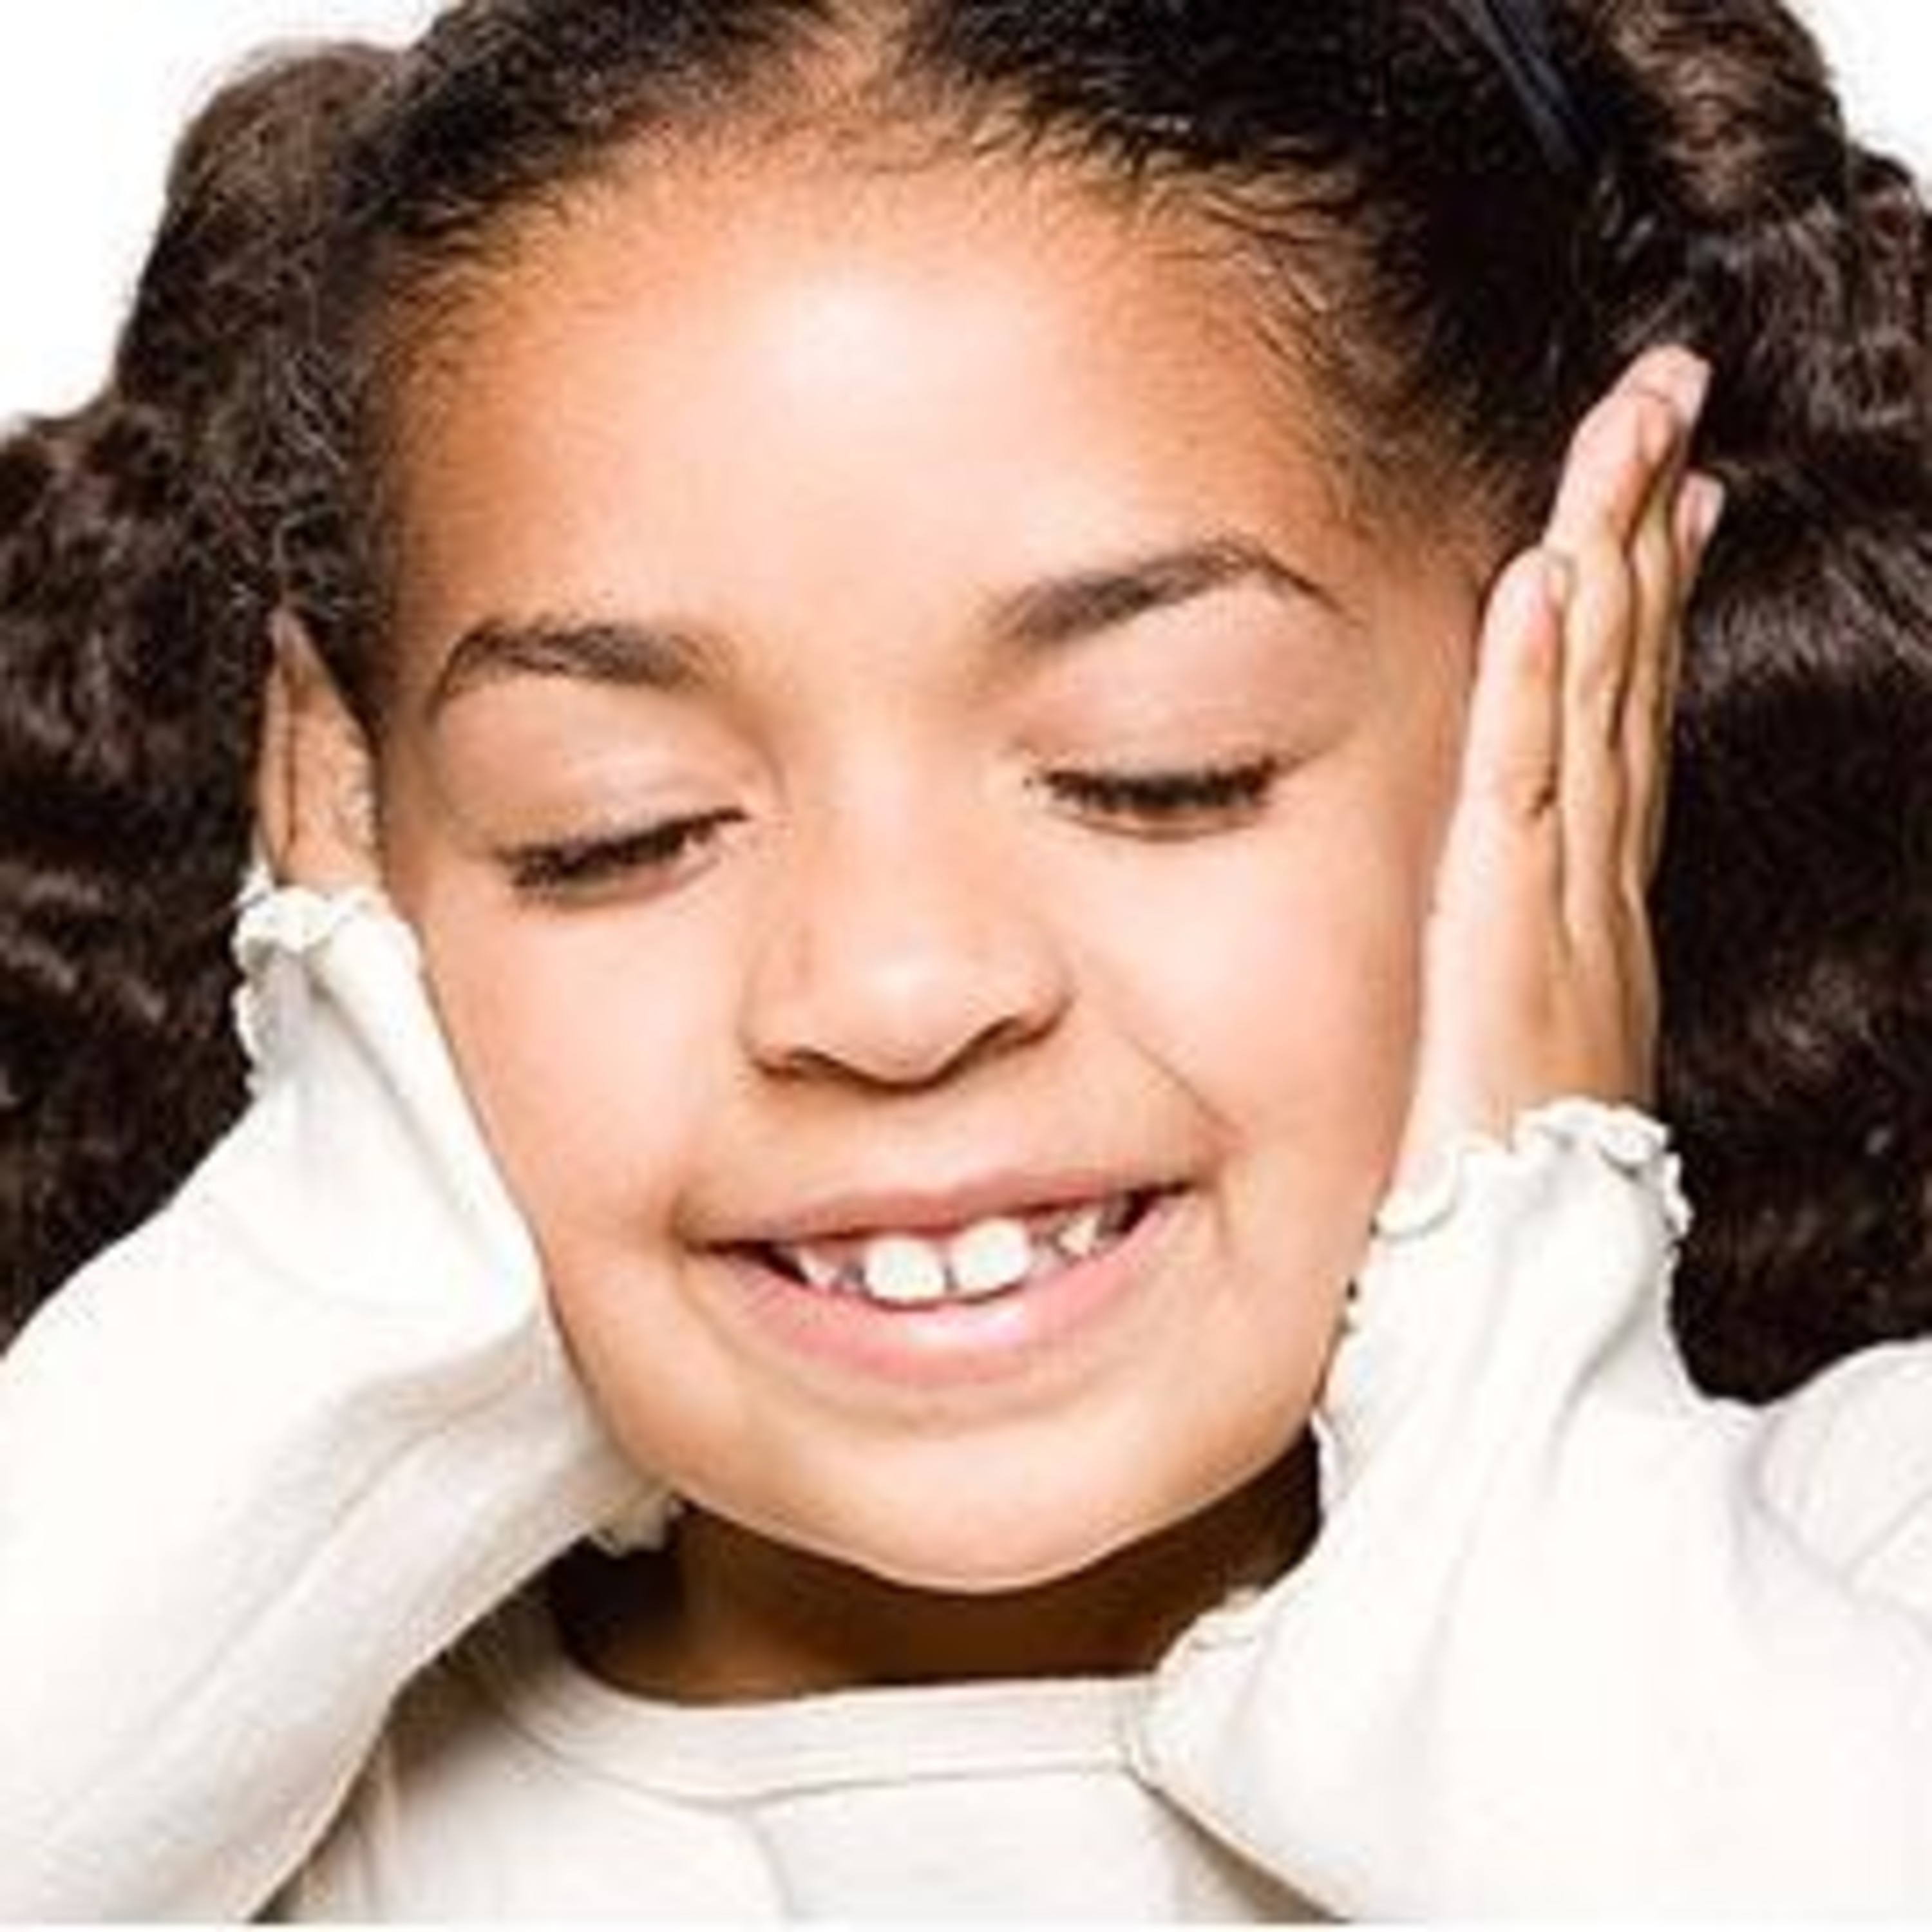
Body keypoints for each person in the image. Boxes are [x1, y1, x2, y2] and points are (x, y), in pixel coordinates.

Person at [1, 0, 1929, 1917]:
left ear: (1600, 705)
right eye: (614, 827)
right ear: (355, 860)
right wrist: (360, 1305)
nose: (892, 994)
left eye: (1159, 770)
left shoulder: (1852, 1570)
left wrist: (1508, 1400)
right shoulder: (214, 1766)